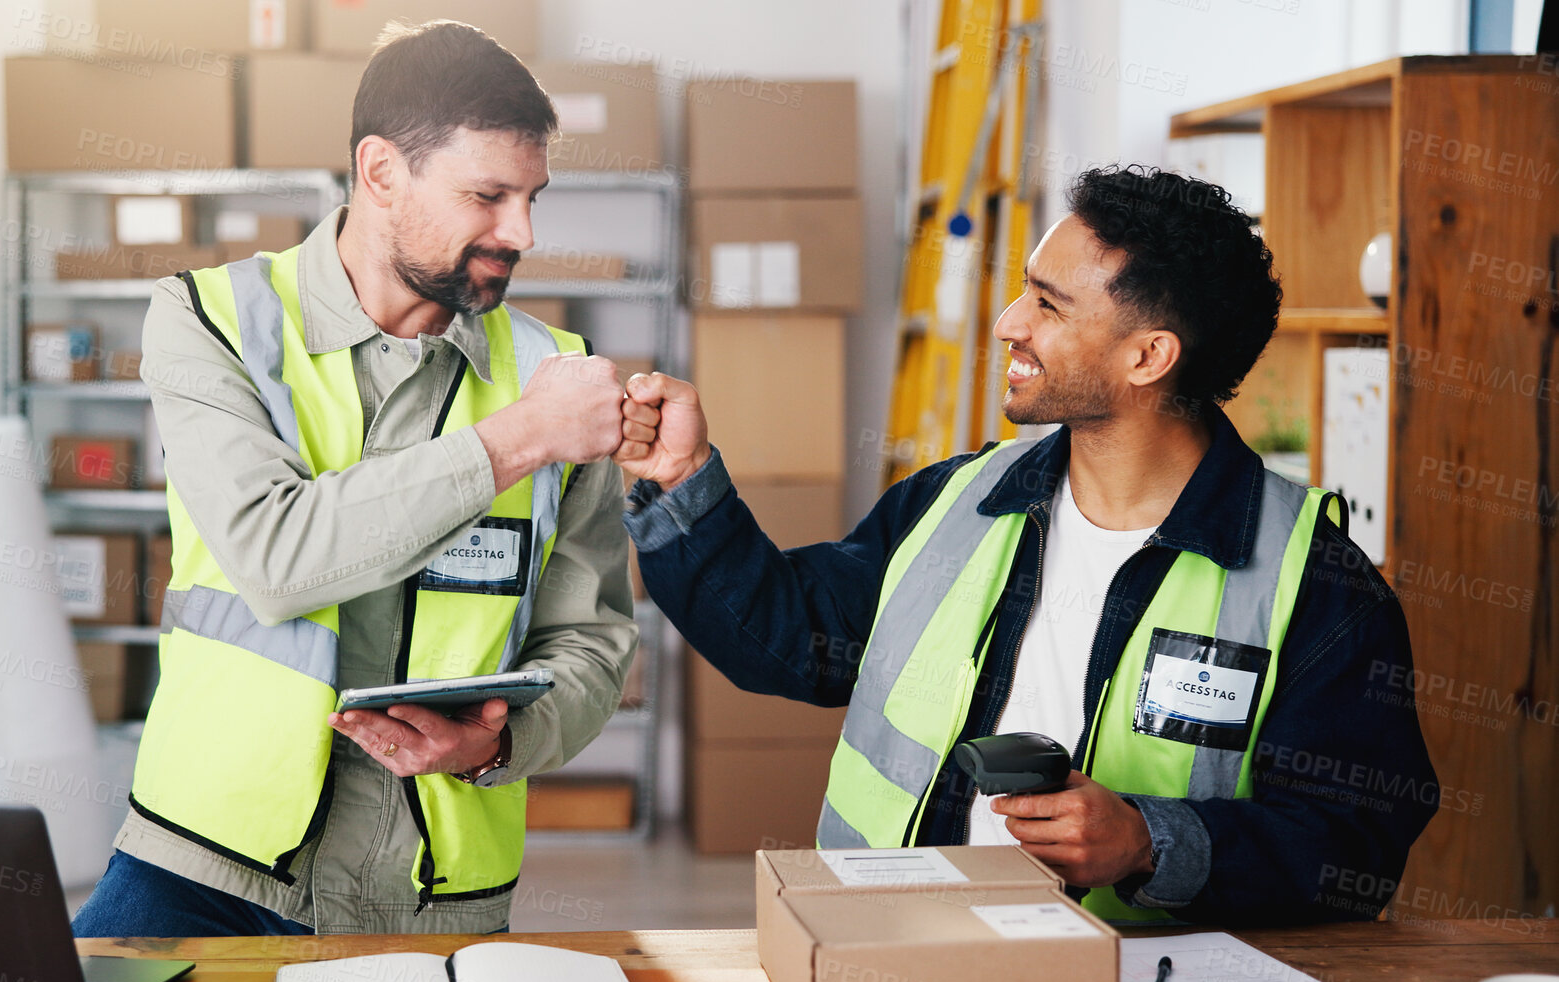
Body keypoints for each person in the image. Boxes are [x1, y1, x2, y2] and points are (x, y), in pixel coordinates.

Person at [613, 165, 1437, 925]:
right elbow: (790, 643)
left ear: (1148, 355)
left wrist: (1149, 839)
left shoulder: (1318, 587)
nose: (1009, 324)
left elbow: (1351, 848)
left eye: (1047, 303)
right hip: (894, 960)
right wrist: (680, 479)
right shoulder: (957, 500)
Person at [72, 20, 638, 937]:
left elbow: (592, 641)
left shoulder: (554, 368)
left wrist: (498, 741)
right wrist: (519, 438)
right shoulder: (210, 321)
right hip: (207, 869)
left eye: (532, 196)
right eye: (487, 195)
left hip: (432, 892)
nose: (521, 231)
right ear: (380, 172)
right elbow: (274, 555)